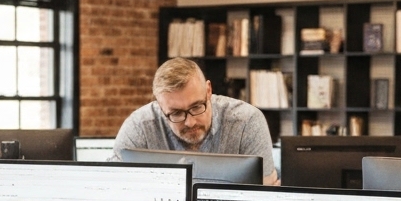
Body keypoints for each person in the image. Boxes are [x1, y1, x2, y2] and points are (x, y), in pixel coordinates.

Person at [110, 58, 280, 184]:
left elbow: (265, 194)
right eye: (176, 113)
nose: (190, 122)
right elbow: (110, 185)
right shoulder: (140, 126)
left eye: (197, 107)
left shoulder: (247, 122)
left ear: (208, 91)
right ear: (159, 105)